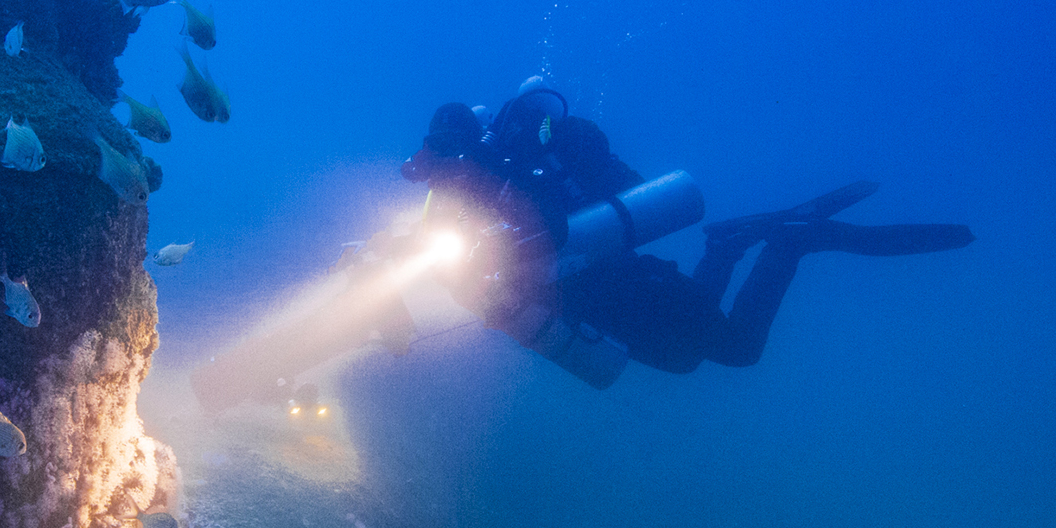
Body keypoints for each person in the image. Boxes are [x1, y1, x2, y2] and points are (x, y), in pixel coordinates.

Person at [398, 79, 974, 386]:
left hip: (613, 284)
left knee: (736, 352)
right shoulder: (470, 193)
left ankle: (790, 242)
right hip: (593, 305)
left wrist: (496, 250)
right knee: (684, 361)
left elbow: (551, 231)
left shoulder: (520, 175)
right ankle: (734, 244)